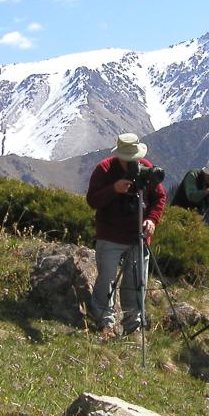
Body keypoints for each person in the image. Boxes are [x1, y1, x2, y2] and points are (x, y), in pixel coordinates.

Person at [85, 133, 167, 338]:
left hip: (138, 235)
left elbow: (160, 197)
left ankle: (134, 323)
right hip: (110, 234)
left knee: (137, 280)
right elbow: (93, 200)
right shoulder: (104, 169)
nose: (133, 162)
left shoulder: (146, 168)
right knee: (107, 278)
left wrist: (152, 220)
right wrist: (114, 189)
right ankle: (105, 321)